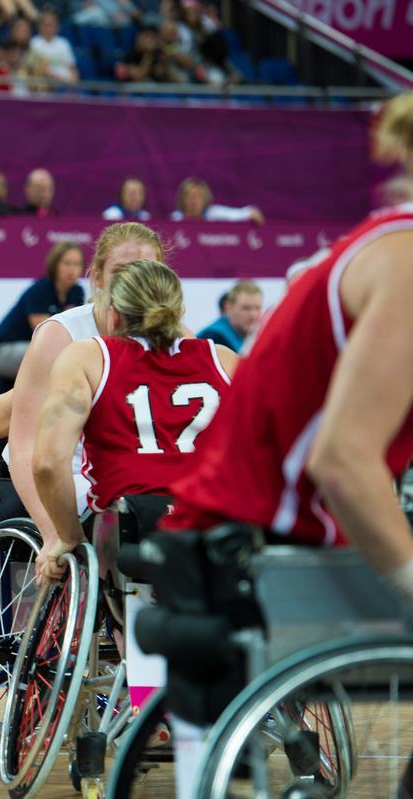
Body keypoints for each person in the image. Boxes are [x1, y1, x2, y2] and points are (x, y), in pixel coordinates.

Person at [168, 93, 413, 601]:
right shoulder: (403, 260)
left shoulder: (388, 243)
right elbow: (342, 460)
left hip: (261, 531)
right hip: (254, 544)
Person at [33, 259, 237, 582]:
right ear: (179, 312)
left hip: (129, 529)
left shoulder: (88, 357)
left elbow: (47, 463)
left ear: (113, 313)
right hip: (216, 525)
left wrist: (69, 537)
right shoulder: (225, 360)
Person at [0, 222, 165, 513]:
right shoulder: (63, 335)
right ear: (97, 277)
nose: (136, 284)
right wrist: (18, 507)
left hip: (134, 492)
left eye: (147, 272)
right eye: (122, 272)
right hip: (74, 489)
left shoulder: (174, 337)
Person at [0, 242, 85, 395]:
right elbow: (44, 334)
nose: (72, 269)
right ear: (55, 265)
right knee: (52, 352)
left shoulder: (77, 292)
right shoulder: (41, 290)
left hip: (30, 348)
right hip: (1, 350)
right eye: (67, 263)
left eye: (77, 264)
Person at [196, 279, 262, 352]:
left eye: (257, 308)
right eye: (246, 308)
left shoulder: (253, 336)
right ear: (228, 307)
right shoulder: (212, 337)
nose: (253, 314)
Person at [171, 177, 264, 224]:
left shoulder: (214, 213)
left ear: (205, 199)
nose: (194, 200)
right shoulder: (174, 219)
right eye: (190, 196)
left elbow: (241, 213)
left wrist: (251, 213)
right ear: (182, 199)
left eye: (198, 196)